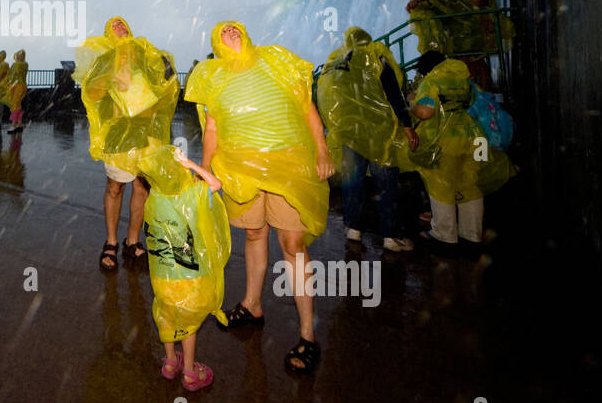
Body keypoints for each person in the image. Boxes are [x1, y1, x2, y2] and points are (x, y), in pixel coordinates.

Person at [183, 21, 334, 374]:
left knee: (293, 243)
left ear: (247, 33)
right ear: (215, 42)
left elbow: (306, 106)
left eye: (236, 28)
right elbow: (213, 128)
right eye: (224, 31)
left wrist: (322, 149)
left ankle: (308, 335)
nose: (231, 32)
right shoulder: (212, 76)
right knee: (254, 233)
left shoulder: (274, 61)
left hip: (289, 165)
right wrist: (206, 170)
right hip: (240, 169)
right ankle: (252, 305)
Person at [73, 16, 179, 270]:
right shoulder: (104, 60)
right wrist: (110, 78)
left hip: (145, 133)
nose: (119, 27)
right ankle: (111, 241)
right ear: (107, 34)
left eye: (123, 24)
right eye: (113, 25)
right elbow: (92, 94)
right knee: (115, 188)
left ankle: (132, 241)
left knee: (142, 189)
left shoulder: (144, 55)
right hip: (119, 133)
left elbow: (165, 83)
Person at [137, 144, 231, 392]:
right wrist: (192, 165)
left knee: (166, 315)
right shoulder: (191, 194)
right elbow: (217, 184)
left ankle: (169, 363)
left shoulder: (154, 198)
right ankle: (189, 372)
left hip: (162, 276)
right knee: (188, 323)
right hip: (191, 276)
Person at [315, 27, 418, 251]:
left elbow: (326, 94)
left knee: (354, 182)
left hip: (351, 132)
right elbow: (393, 93)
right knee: (386, 184)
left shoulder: (337, 61)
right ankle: (390, 237)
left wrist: (336, 125)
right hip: (378, 133)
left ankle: (353, 229)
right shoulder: (376, 57)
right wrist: (407, 126)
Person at [407, 51, 515, 249]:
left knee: (443, 184)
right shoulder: (463, 80)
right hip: (473, 138)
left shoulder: (432, 82)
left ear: (426, 69)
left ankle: (444, 234)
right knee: (470, 184)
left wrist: (412, 103)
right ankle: (472, 234)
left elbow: (425, 112)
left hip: (446, 140)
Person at [394, 0, 480, 57]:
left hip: (462, 21)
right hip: (450, 29)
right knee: (460, 55)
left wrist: (418, 0)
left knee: (471, 54)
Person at [458, 0, 514, 91]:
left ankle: (485, 90)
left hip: (484, 33)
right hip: (472, 33)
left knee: (478, 62)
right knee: (471, 63)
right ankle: (476, 91)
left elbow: (479, 3)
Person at [5, 49, 29, 132]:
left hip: (18, 86)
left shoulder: (19, 64)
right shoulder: (23, 64)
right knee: (17, 105)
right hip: (18, 86)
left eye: (20, 55)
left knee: (15, 104)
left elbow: (13, 73)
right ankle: (19, 123)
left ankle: (13, 124)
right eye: (18, 55)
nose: (18, 57)